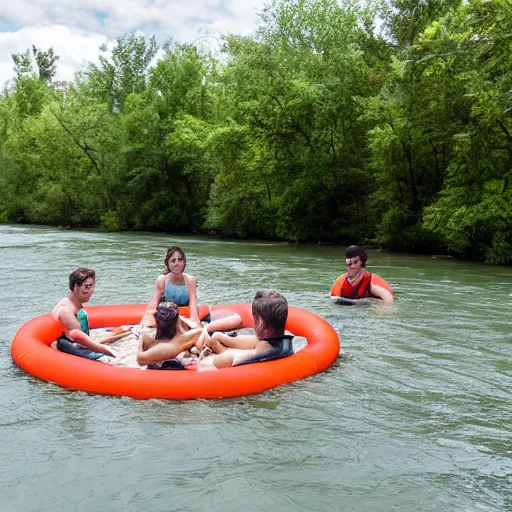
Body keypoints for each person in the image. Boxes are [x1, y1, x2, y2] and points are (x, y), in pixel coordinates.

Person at [142, 246, 242, 338]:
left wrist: (196, 324)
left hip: (186, 315)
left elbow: (193, 303)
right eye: (173, 260)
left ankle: (207, 329)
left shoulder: (190, 280)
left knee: (236, 318)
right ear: (167, 263)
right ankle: (207, 330)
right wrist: (150, 320)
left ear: (184, 262)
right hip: (170, 317)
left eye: (180, 260)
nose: (176, 263)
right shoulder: (162, 280)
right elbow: (152, 306)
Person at [197, 290, 294, 369]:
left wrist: (204, 355)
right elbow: (255, 343)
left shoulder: (242, 357)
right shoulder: (285, 344)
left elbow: (201, 365)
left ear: (259, 321)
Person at [52, 268, 115, 359]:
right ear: (75, 286)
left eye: (92, 286)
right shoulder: (65, 310)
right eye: (87, 287)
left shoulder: (76, 303)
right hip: (70, 346)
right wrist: (107, 350)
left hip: (80, 341)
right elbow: (78, 337)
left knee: (124, 330)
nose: (91, 291)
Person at [137, 301, 205, 368]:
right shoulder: (182, 340)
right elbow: (201, 331)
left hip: (163, 348)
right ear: (177, 322)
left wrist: (141, 340)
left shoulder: (150, 341)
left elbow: (139, 358)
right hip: (176, 347)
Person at [330, 245, 394, 303]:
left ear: (362, 262)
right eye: (349, 263)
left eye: (355, 262)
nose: (352, 266)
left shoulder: (372, 281)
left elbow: (388, 298)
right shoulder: (340, 282)